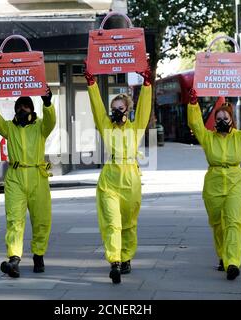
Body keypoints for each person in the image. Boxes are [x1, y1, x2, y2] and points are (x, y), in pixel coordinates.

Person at [84, 65, 152, 284]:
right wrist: (92, 84)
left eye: (119, 107)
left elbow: (144, 109)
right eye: (113, 107)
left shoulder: (136, 127)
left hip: (131, 180)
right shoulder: (106, 126)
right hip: (110, 181)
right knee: (112, 223)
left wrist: (148, 84)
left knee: (129, 224)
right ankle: (114, 261)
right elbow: (96, 109)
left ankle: (126, 258)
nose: (115, 111)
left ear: (128, 109)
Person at [187, 86, 241, 280]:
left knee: (234, 222)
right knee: (218, 224)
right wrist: (193, 104)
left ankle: (232, 263)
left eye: (225, 119)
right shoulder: (208, 138)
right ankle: (223, 255)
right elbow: (195, 125)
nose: (221, 122)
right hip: (213, 184)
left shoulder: (240, 137)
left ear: (231, 120)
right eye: (218, 119)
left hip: (236, 182)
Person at [0, 86, 56, 278]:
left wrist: (47, 102)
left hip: (37, 177)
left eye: (26, 107)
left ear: (32, 111)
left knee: (41, 220)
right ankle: (14, 259)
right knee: (14, 220)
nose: (22, 111)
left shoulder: (40, 127)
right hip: (15, 177)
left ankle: (38, 255)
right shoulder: (9, 127)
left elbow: (51, 121)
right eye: (19, 108)